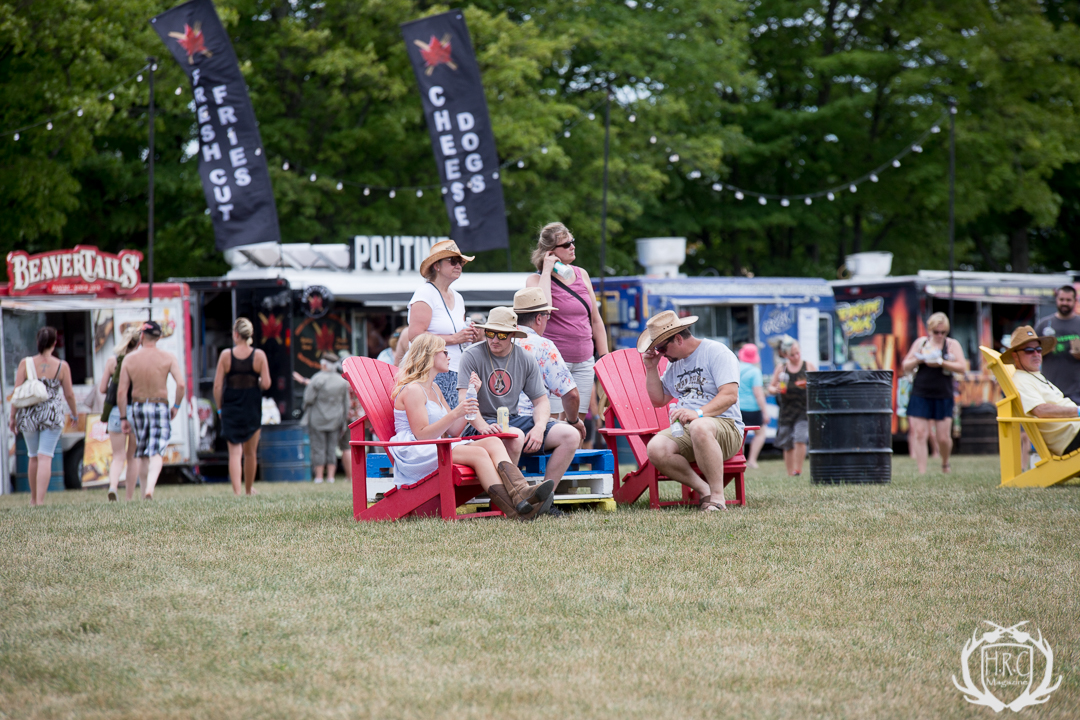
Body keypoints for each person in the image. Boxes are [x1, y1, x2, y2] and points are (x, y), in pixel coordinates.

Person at [390, 333, 554, 521]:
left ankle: (521, 492)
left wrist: (471, 395)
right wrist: (456, 412)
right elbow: (421, 435)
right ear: (429, 355)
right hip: (415, 450)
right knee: (479, 454)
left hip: (435, 445)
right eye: (444, 352)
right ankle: (515, 511)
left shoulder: (434, 388)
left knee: (493, 442)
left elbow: (454, 430)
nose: (449, 356)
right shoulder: (413, 390)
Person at [457, 307, 580, 510]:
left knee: (571, 435)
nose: (494, 339)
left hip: (511, 420)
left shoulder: (524, 358)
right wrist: (482, 426)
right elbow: (465, 400)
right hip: (477, 424)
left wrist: (539, 427)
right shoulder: (472, 355)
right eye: (490, 333)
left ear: (513, 335)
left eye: (501, 335)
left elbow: (541, 401)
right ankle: (511, 502)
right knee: (515, 436)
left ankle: (543, 501)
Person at [640, 311, 744, 512]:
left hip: (725, 426)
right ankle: (704, 491)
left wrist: (699, 413)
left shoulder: (716, 352)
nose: (661, 353)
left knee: (699, 426)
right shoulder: (675, 363)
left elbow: (730, 395)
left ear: (678, 339)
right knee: (656, 448)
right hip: (689, 428)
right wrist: (651, 368)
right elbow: (658, 400)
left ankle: (718, 498)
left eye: (662, 348)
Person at [526, 222, 609, 423]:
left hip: (584, 360)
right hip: (554, 360)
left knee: (576, 422)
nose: (573, 247)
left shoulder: (582, 274)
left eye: (572, 242)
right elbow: (544, 309)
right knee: (551, 421)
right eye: (566, 244)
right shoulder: (535, 280)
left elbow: (596, 320)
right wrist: (547, 271)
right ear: (550, 252)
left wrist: (605, 358)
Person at [407, 240, 482, 408]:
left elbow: (459, 336)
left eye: (460, 262)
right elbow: (415, 336)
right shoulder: (425, 293)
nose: (459, 266)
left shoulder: (458, 297)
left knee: (455, 420)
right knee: (442, 420)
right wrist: (454, 338)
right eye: (453, 261)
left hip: (456, 371)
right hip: (430, 372)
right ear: (437, 266)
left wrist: (471, 335)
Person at [9, 327, 78, 506]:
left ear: (38, 342)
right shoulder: (62, 366)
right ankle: (40, 500)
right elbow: (69, 394)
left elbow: (17, 392)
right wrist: (74, 413)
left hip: (29, 413)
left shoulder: (26, 363)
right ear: (54, 343)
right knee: (46, 456)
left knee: (33, 456)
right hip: (52, 413)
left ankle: (33, 499)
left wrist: (12, 416)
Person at [118, 321, 186, 500]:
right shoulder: (168, 357)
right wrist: (176, 406)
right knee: (157, 451)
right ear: (159, 337)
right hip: (159, 404)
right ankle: (150, 488)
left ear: (142, 336)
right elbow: (181, 384)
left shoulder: (130, 359)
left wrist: (123, 417)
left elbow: (121, 391)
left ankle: (144, 493)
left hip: (138, 405)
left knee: (142, 452)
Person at [512, 287, 586, 443]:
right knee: (572, 436)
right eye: (548, 316)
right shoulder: (543, 346)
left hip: (495, 423)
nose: (548, 320)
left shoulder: (498, 341)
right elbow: (571, 395)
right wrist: (573, 421)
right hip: (529, 424)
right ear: (539, 318)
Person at [900, 312, 966, 474]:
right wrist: (920, 359)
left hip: (943, 393)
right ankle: (922, 471)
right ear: (930, 330)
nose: (939, 335)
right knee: (920, 433)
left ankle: (945, 463)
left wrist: (942, 362)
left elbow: (962, 367)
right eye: (936, 332)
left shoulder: (952, 345)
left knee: (943, 437)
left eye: (943, 332)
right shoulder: (921, 343)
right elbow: (905, 365)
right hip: (921, 392)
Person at [213, 318, 271, 496]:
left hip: (231, 405)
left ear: (236, 334)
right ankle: (248, 490)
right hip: (251, 406)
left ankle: (237, 491)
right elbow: (266, 383)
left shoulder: (226, 355)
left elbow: (217, 386)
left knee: (235, 453)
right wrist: (256, 382)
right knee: (250, 453)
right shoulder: (259, 355)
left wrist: (220, 408)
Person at [1002, 325, 1080, 456]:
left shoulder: (1034, 375)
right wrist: (1077, 411)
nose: (1036, 354)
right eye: (1029, 350)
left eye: (1038, 349)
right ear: (1015, 355)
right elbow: (1040, 410)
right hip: (1070, 437)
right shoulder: (1021, 380)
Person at [98, 326, 142, 501]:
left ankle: (113, 487)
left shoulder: (112, 361)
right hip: (136, 410)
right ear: (138, 343)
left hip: (116, 412)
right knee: (133, 457)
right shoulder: (139, 361)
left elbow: (102, 389)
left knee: (118, 456)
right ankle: (129, 498)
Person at [767, 338, 817, 477]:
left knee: (800, 438)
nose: (796, 356)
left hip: (803, 409)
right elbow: (770, 388)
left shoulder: (808, 366)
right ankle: (790, 473)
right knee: (787, 442)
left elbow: (818, 384)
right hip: (787, 410)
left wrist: (809, 385)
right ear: (785, 355)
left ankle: (798, 470)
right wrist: (775, 389)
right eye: (792, 355)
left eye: (797, 353)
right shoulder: (782, 368)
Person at [303, 352, 352, 483]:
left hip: (317, 419)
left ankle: (319, 477)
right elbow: (346, 404)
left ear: (324, 364)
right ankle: (331, 477)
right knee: (332, 448)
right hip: (335, 420)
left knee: (318, 448)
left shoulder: (316, 378)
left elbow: (308, 399)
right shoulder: (342, 382)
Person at [1034, 285, 1080, 404]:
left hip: (1076, 390)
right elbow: (1031, 353)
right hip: (1049, 389)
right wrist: (1044, 349)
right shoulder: (1044, 324)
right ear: (1056, 300)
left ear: (1075, 301)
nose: (1064, 303)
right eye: (1061, 299)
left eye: (1068, 300)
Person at [737, 344, 768, 469]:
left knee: (739, 435)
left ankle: (739, 460)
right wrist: (765, 412)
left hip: (737, 407)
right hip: (753, 408)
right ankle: (752, 460)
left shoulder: (735, 368)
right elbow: (758, 394)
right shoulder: (755, 371)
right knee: (760, 433)